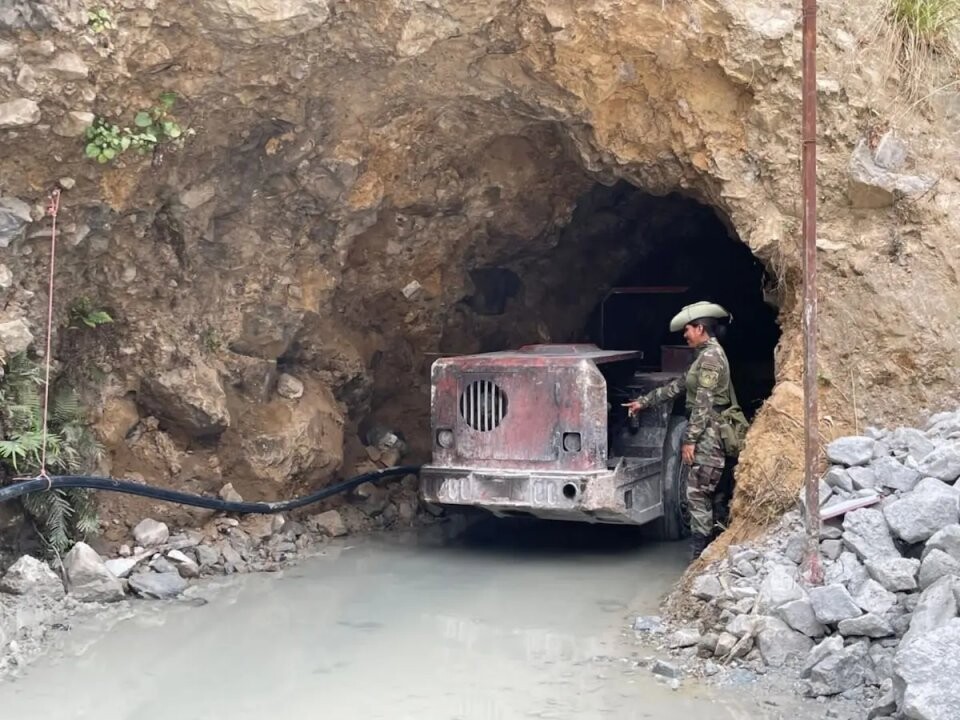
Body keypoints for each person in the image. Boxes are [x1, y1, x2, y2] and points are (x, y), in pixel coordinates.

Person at [622, 301, 736, 561]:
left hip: (710, 432)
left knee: (697, 492)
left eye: (687, 330)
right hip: (707, 430)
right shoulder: (702, 357)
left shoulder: (710, 359)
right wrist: (644, 401)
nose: (685, 335)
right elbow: (678, 386)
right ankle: (710, 547)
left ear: (700, 328)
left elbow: (703, 404)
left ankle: (701, 554)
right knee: (707, 490)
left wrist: (690, 440)